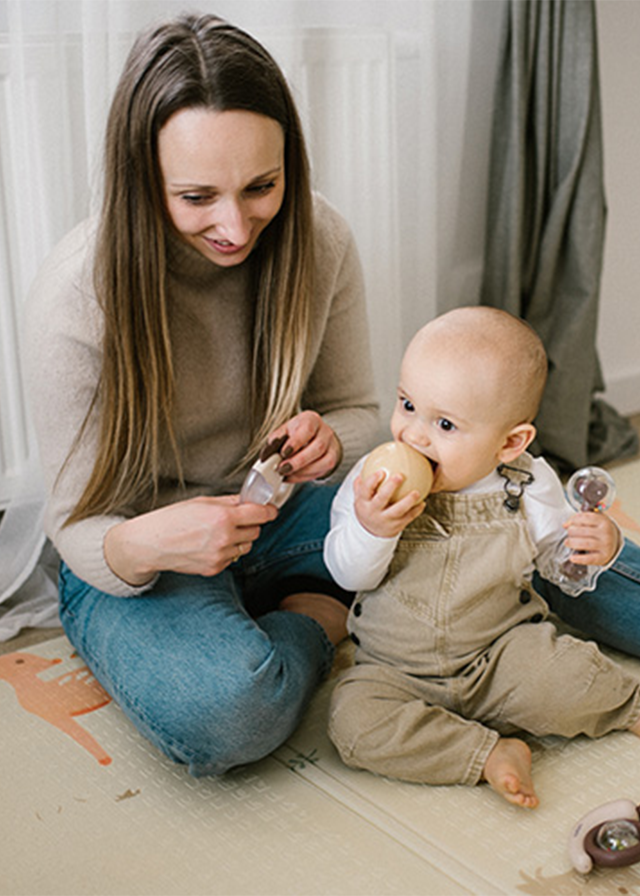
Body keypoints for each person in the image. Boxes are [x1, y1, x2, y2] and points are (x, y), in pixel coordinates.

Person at [24, 12, 379, 776]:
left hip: (279, 510)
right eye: (195, 197)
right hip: (138, 555)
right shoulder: (76, 296)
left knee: (489, 525)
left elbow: (359, 409)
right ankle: (319, 618)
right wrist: (149, 541)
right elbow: (74, 522)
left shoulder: (321, 241)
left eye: (262, 187)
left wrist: (333, 438)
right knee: (229, 709)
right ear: (141, 180)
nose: (234, 226)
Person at [324, 307, 640, 808]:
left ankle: (628, 704)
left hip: (501, 655)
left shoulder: (529, 484)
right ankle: (489, 752)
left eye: (444, 423)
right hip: (394, 669)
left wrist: (591, 550)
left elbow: (558, 567)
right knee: (354, 724)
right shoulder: (373, 479)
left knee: (566, 678)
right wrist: (370, 528)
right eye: (407, 404)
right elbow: (345, 572)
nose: (413, 435)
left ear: (509, 443)